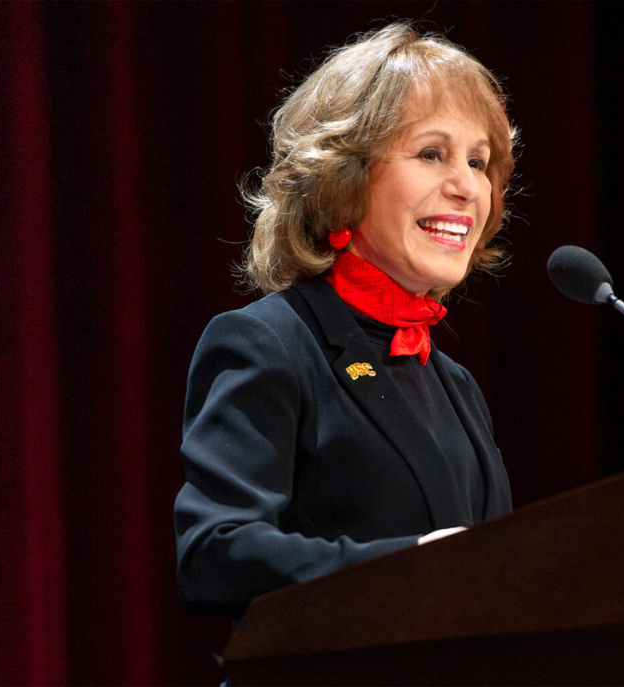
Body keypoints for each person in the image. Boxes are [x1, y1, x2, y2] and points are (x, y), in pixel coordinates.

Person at [174, 22, 516, 618]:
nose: (466, 186)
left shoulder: (454, 383)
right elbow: (214, 553)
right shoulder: (268, 343)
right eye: (432, 153)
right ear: (344, 178)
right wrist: (407, 564)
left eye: (479, 161)